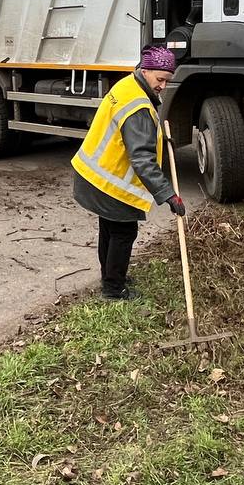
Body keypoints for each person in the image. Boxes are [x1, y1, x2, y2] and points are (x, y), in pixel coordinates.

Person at [72, 44, 186, 300]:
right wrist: (168, 195)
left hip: (93, 174)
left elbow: (136, 139)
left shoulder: (127, 86)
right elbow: (142, 158)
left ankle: (111, 276)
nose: (163, 87)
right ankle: (113, 288)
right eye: (160, 80)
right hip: (109, 182)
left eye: (167, 81)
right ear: (145, 71)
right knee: (123, 232)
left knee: (110, 230)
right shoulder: (138, 107)